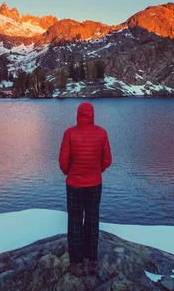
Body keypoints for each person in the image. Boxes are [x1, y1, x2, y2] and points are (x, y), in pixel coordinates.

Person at [59, 102, 112, 277]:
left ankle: (77, 263)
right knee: (92, 219)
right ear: (92, 114)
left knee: (74, 221)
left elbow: (63, 161)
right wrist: (97, 171)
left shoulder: (69, 133)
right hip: (95, 184)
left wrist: (70, 172)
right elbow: (107, 160)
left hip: (74, 184)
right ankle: (92, 261)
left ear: (78, 114)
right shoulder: (102, 133)